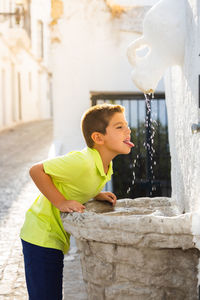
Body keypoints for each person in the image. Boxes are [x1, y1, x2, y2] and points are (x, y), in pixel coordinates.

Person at [20, 103, 134, 300]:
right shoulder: (82, 162)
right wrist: (61, 202)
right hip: (40, 235)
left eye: (126, 125)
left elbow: (77, 183)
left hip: (55, 237)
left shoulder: (106, 165)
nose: (128, 130)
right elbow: (36, 170)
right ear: (98, 138)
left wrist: (96, 193)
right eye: (119, 127)